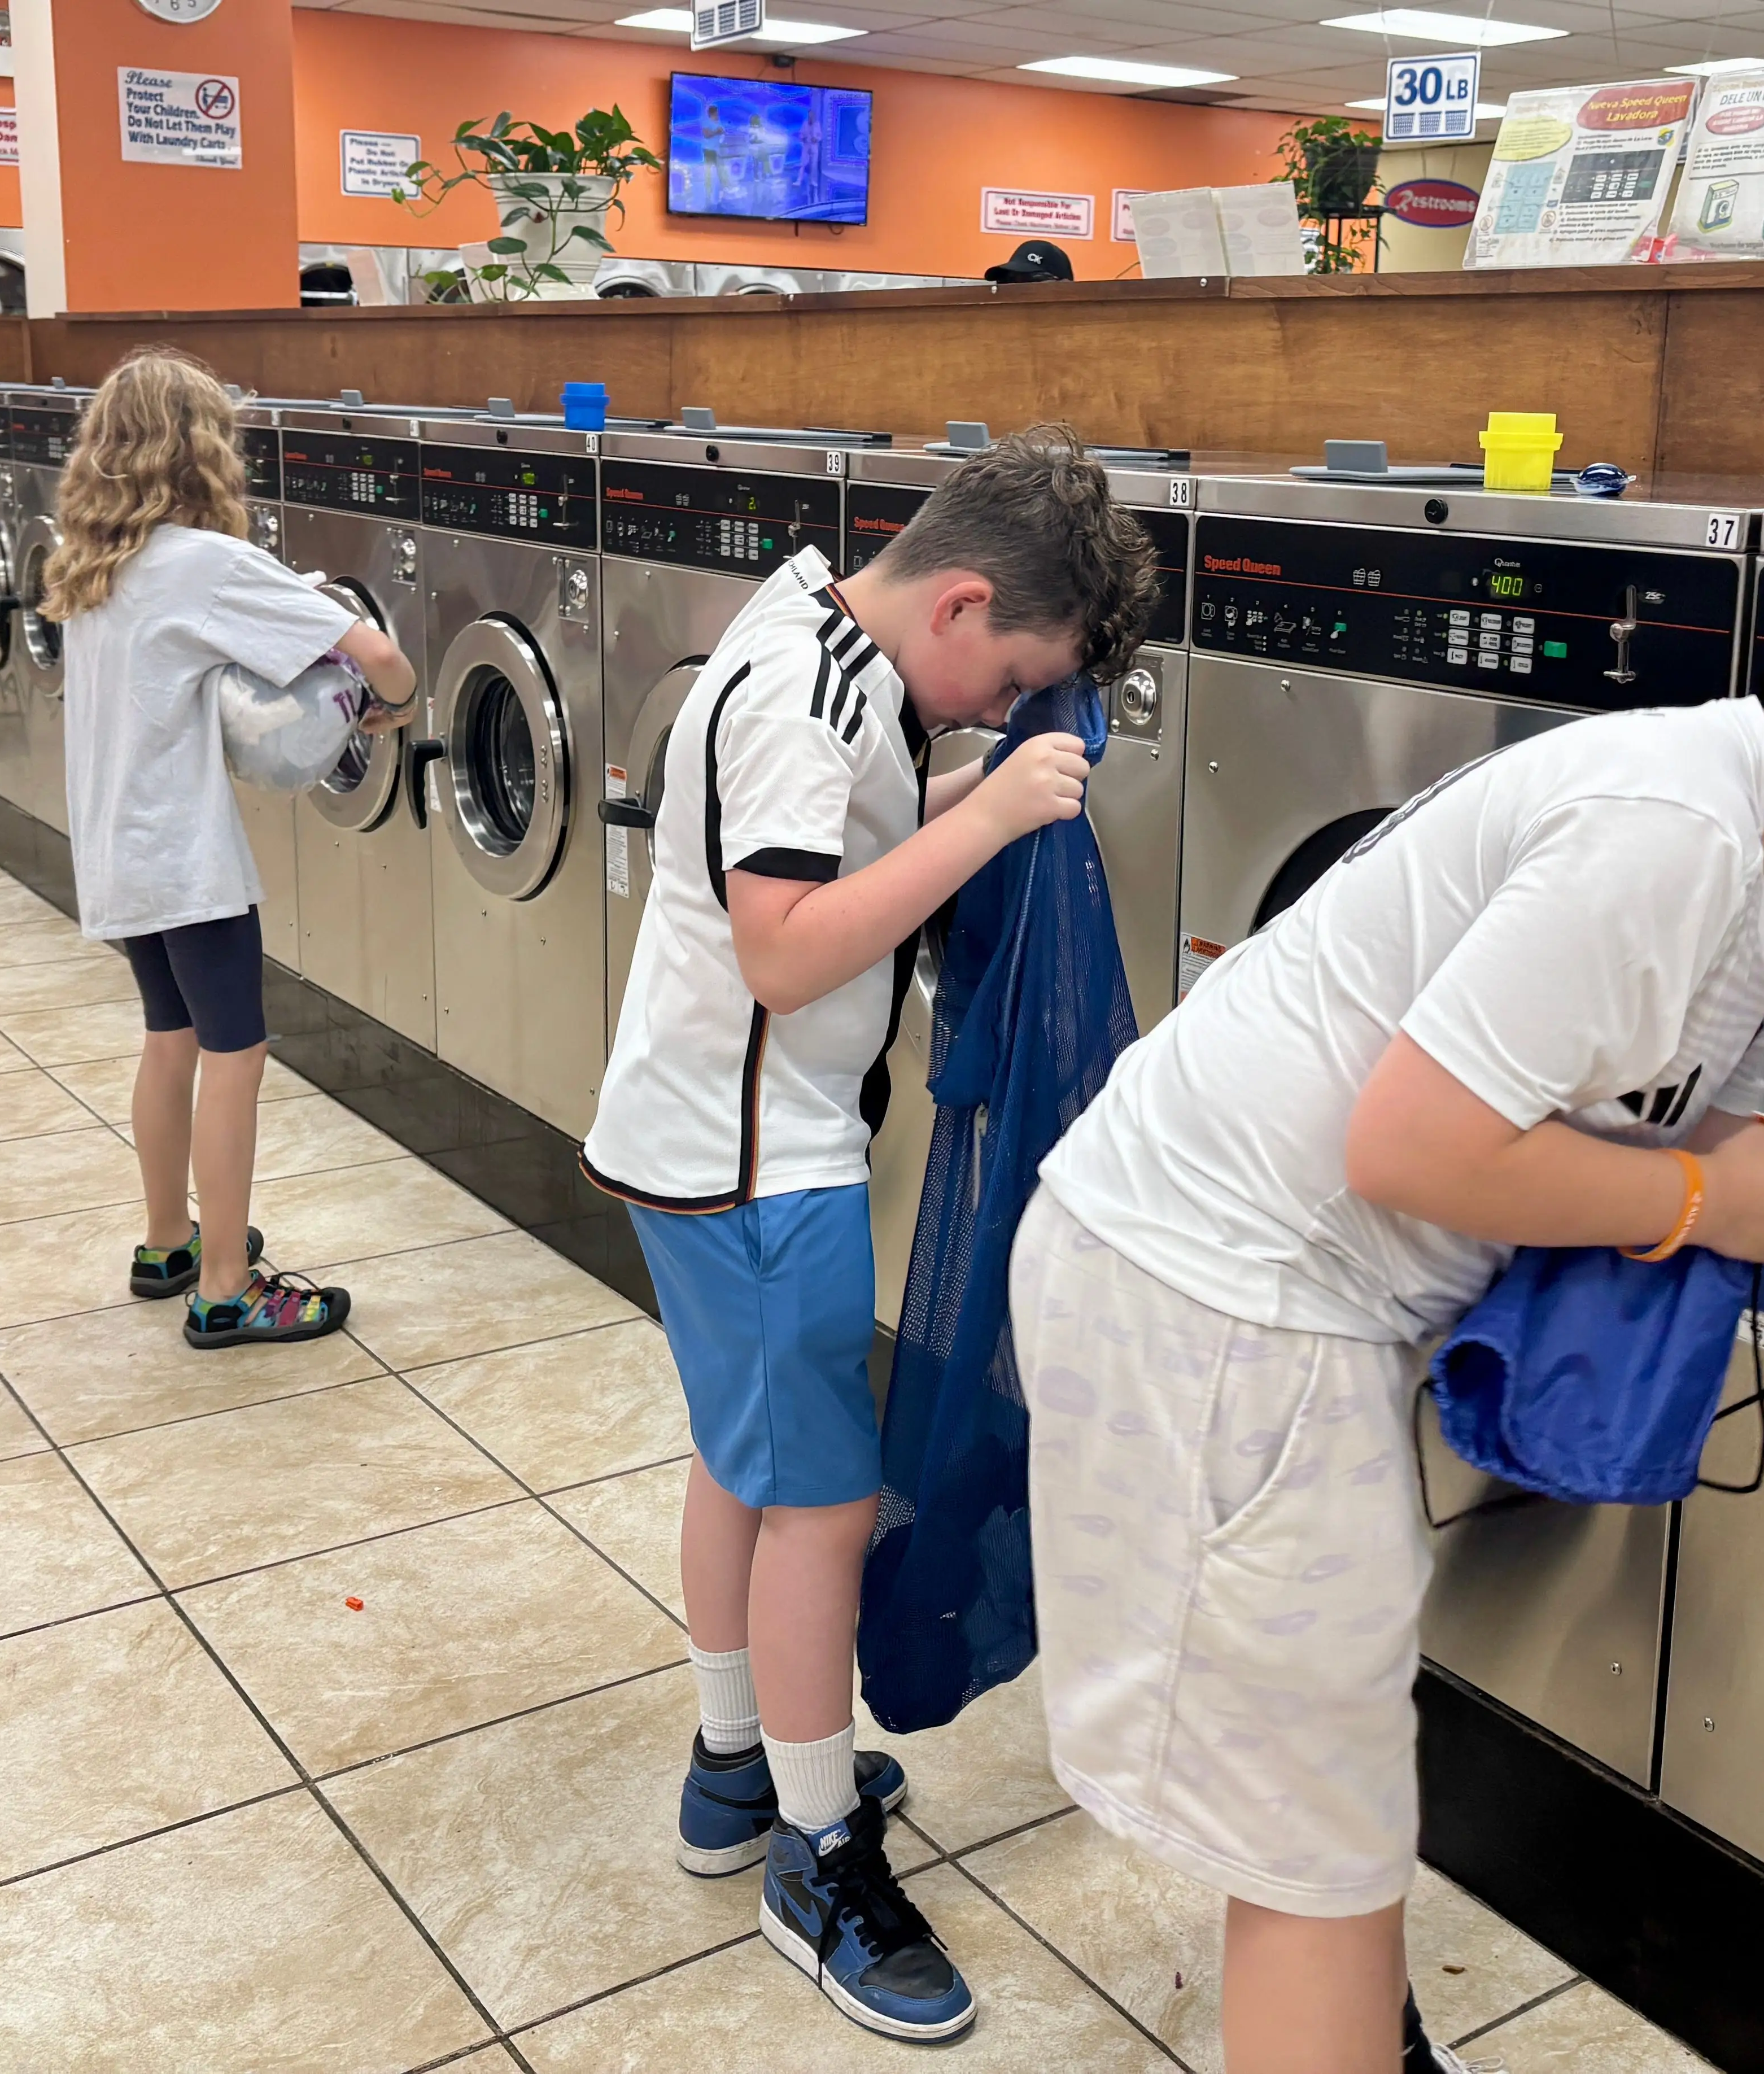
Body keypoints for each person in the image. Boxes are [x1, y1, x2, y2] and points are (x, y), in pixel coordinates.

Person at [1008, 465, 1764, 2074]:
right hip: (1220, 1309)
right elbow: (1415, 1150)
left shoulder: (1726, 844)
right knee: (1320, 1855)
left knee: (1323, 1811)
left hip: (1240, 1299)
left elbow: (1672, 1139)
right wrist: (1711, 1200)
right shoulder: (1672, 845)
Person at [582, 426, 1158, 2042]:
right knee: (822, 1518)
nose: (986, 705)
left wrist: (970, 784)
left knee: (742, 1465)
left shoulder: (815, 630)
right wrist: (980, 828)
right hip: (762, 1172)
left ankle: (733, 1765)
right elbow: (780, 948)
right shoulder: (808, 695)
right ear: (961, 602)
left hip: (703, 1147)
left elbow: (846, 824)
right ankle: (817, 1856)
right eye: (1004, 678)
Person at [40, 347, 416, 1350]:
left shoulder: (92, 560)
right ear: (202, 450)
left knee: (169, 1040)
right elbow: (375, 652)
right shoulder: (202, 562)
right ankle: (223, 1291)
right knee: (234, 1056)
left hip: (119, 849)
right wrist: (399, 703)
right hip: (186, 860)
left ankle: (168, 1241)